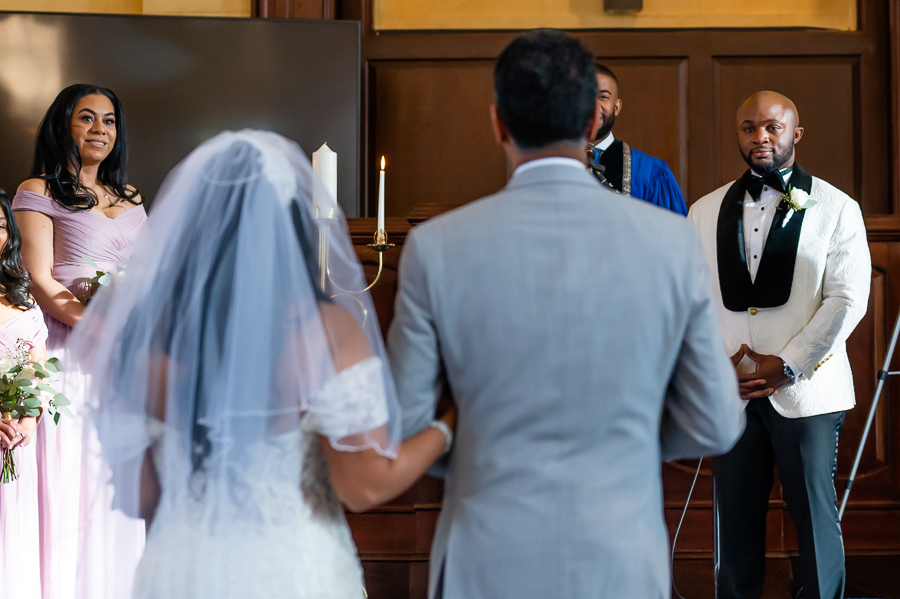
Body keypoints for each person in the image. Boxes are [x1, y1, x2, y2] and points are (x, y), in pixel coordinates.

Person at [387, 29, 744, 599]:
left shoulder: (436, 247)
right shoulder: (671, 245)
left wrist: (472, 436)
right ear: (589, 124)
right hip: (620, 555)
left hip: (486, 554)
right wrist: (622, 439)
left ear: (498, 123)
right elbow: (717, 422)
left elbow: (403, 425)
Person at [67, 130, 456, 599]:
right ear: (292, 223)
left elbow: (138, 498)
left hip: (180, 571)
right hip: (290, 569)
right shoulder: (322, 331)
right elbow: (363, 487)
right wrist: (449, 425)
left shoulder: (144, 334)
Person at [687, 91, 871, 599]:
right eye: (749, 128)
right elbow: (690, 299)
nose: (760, 137)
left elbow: (847, 298)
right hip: (732, 390)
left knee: (813, 515)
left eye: (772, 127)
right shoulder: (703, 210)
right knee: (735, 518)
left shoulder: (837, 207)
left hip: (807, 390)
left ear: (796, 133)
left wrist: (788, 364)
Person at [12, 84, 148, 599]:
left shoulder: (132, 198)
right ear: (61, 126)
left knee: (116, 477)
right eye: (86, 118)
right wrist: (101, 326)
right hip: (70, 349)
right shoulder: (39, 191)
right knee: (73, 475)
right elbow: (41, 282)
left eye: (109, 121)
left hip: (124, 358)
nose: (99, 130)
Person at [0, 190, 49, 599]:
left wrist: (28, 414)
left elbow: (37, 365)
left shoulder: (23, 297)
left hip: (15, 439)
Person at [587, 64, 687, 215]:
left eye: (603, 97)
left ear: (617, 107)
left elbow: (672, 235)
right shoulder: (550, 166)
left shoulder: (651, 172)